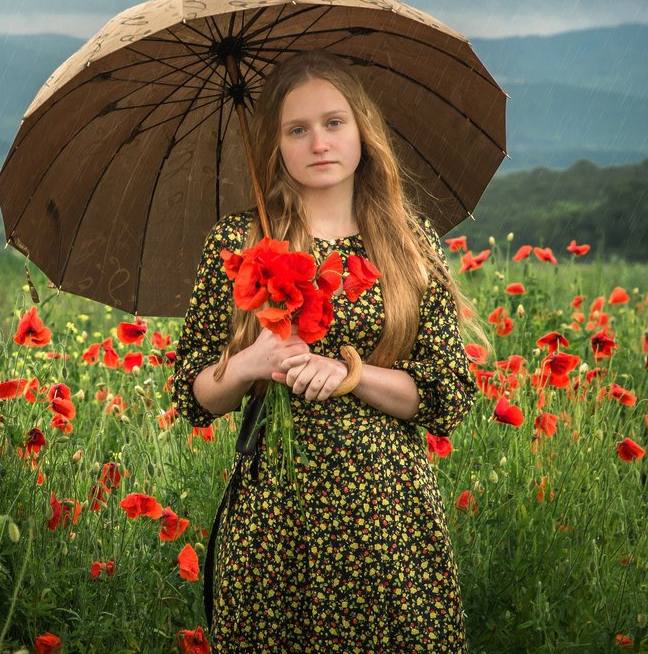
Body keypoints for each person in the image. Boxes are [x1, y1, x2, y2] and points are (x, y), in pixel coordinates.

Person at [171, 50, 480, 653]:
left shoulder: (408, 244)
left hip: (386, 517)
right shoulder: (240, 243)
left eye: (334, 122)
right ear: (275, 146)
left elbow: (447, 395)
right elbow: (194, 393)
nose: (319, 142)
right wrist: (252, 364)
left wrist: (349, 374)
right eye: (297, 129)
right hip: (273, 522)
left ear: (362, 130)